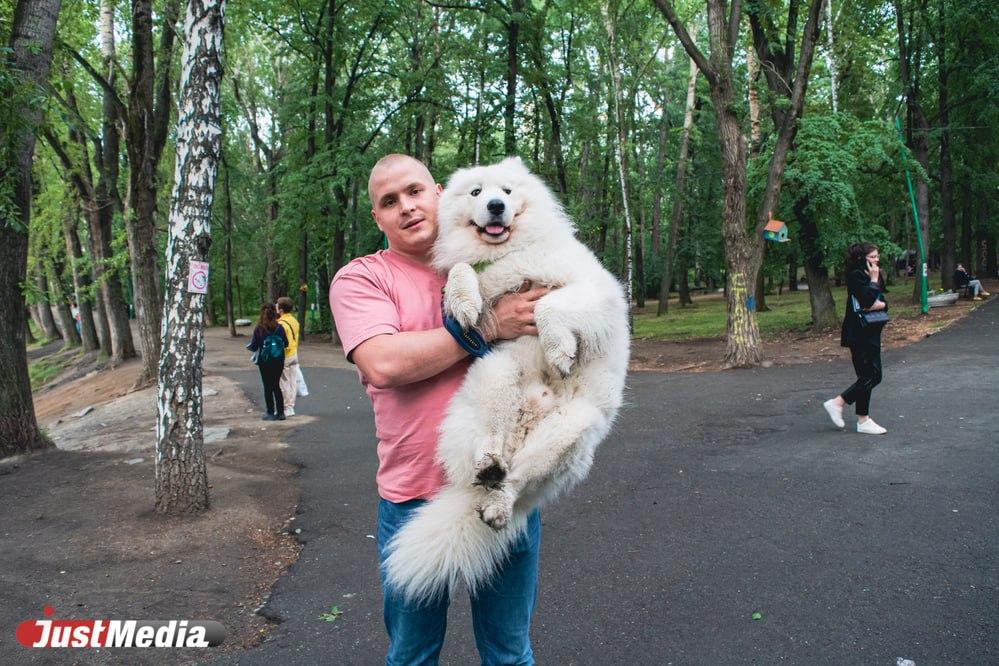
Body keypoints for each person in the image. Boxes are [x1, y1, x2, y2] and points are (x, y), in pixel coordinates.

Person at [329, 154, 548, 665]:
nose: (406, 207)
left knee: (509, 653)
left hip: (503, 489)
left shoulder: (497, 254)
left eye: (414, 191)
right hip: (414, 497)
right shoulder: (363, 279)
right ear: (377, 218)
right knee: (413, 655)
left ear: (440, 193)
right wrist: (488, 327)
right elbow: (383, 364)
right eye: (389, 202)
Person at [823, 243, 889, 435]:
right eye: (873, 257)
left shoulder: (873, 273)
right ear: (862, 258)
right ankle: (840, 404)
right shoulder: (855, 275)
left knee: (870, 376)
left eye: (877, 256)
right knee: (871, 375)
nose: (877, 260)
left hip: (872, 330)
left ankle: (861, 419)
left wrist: (878, 301)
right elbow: (868, 300)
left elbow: (882, 301)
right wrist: (874, 281)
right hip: (858, 333)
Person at [246, 302, 288, 421]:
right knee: (276, 385)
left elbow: (254, 346)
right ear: (274, 313)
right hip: (279, 360)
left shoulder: (259, 328)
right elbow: (286, 343)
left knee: (267, 386)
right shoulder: (280, 327)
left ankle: (270, 412)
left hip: (264, 361)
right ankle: (281, 413)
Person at [276, 296, 301, 416]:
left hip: (285, 355)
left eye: (277, 304)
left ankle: (286, 407)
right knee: (292, 381)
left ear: (280, 310)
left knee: (284, 382)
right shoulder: (294, 320)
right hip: (294, 353)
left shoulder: (280, 323)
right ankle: (291, 406)